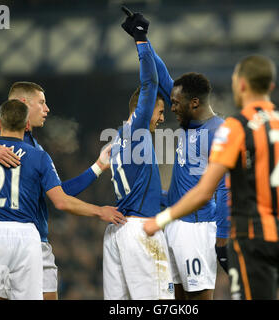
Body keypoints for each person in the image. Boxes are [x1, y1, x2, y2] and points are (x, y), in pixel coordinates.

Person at [143, 54, 279, 299]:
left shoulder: (236, 128)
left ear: (241, 85)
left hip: (252, 236)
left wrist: (162, 218)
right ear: (270, 86)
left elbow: (207, 190)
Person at [0, 81, 118, 300]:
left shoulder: (34, 148)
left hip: (10, 237)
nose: (47, 109)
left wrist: (97, 167)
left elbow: (57, 193)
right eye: (42, 103)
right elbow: (60, 200)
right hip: (27, 239)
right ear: (23, 105)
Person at [121, 8, 230, 300]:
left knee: (198, 299)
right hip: (176, 225)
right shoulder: (190, 118)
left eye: (175, 103)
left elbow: (224, 187)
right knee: (174, 299)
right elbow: (162, 76)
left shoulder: (217, 132)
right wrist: (141, 38)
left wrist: (222, 238)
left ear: (194, 103)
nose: (171, 107)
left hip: (198, 229)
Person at [102, 13, 174, 300]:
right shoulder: (137, 129)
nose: (161, 117)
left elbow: (150, 192)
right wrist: (141, 40)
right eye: (159, 111)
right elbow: (151, 83)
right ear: (142, 110)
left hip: (119, 233)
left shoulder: (119, 140)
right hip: (140, 229)